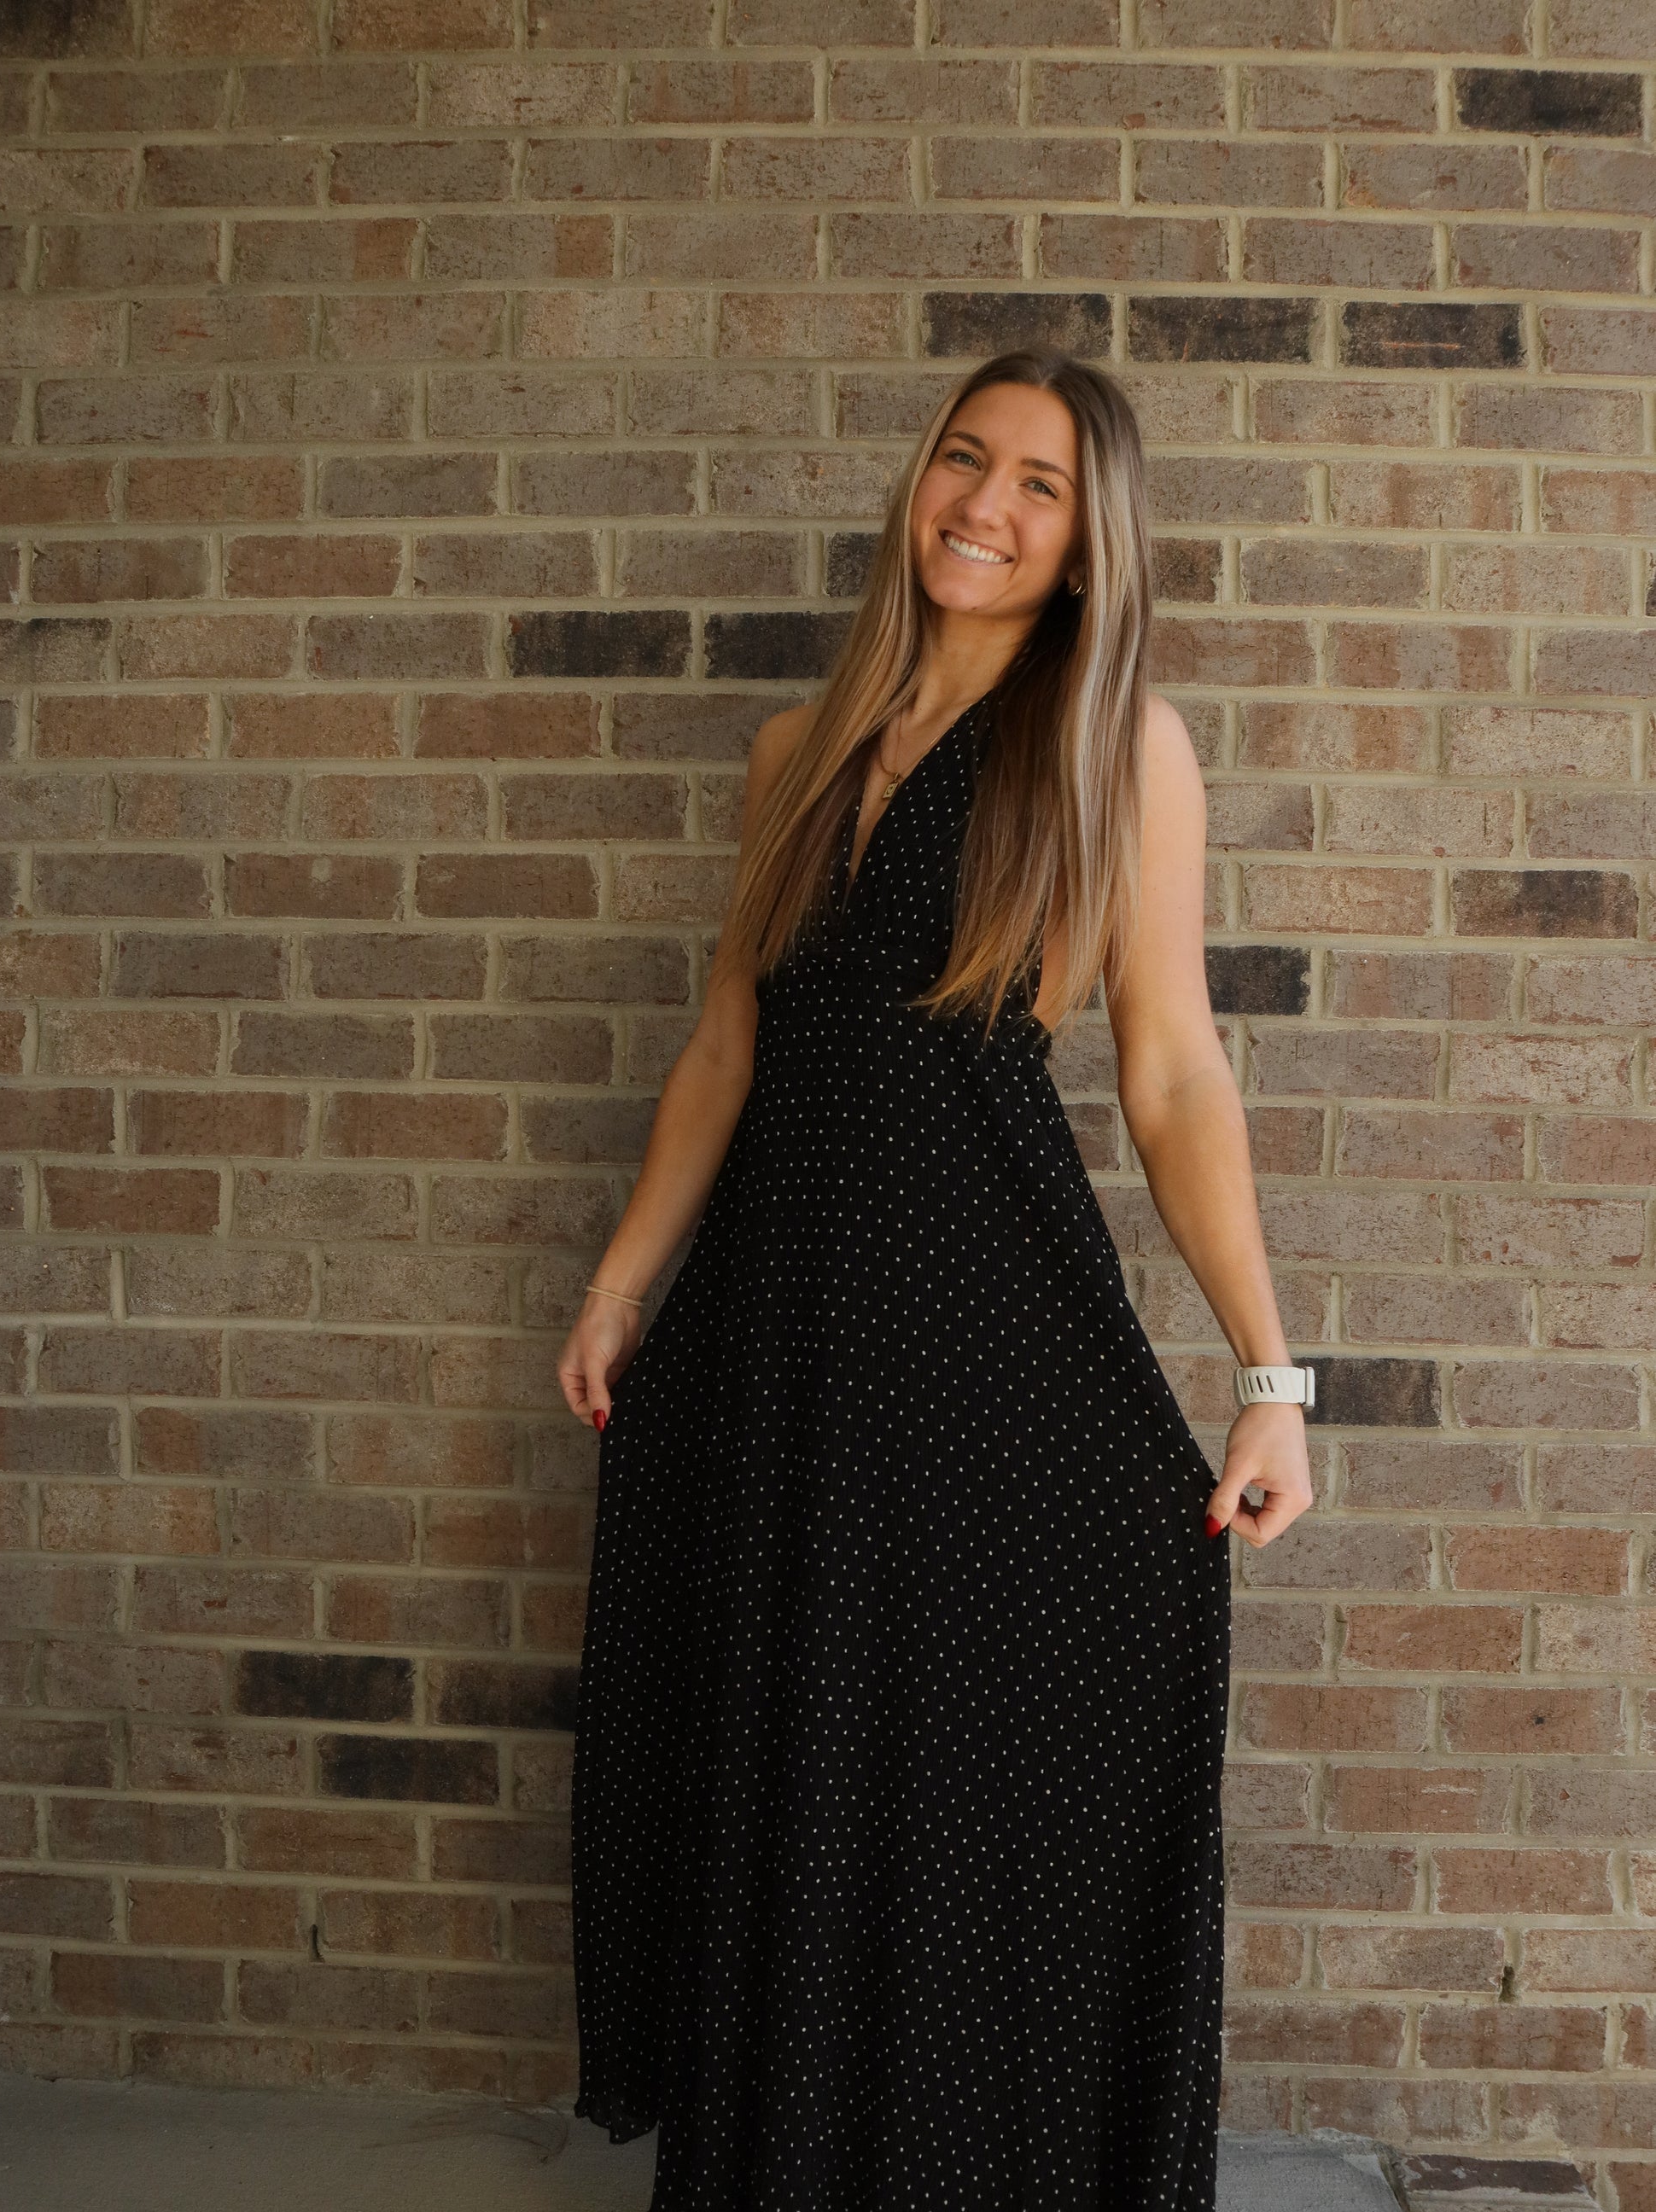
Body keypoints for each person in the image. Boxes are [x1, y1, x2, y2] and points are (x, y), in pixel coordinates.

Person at [556, 344, 1313, 2210]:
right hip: (776, 1329)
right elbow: (726, 1045)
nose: (983, 505)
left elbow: (1170, 1073)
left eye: (1038, 485)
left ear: (1087, 540)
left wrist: (1269, 1377)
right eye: (964, 460)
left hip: (979, 1329)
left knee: (952, 1767)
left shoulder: (1113, 749)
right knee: (789, 1753)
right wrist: (623, 1281)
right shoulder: (795, 754)